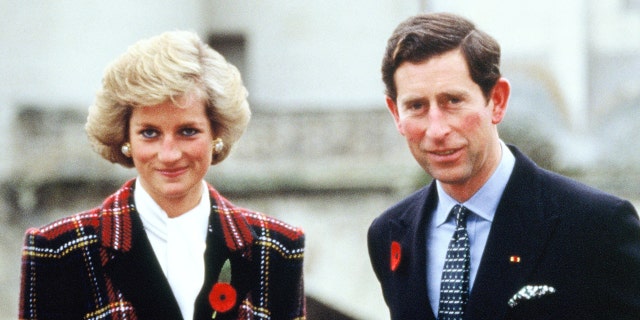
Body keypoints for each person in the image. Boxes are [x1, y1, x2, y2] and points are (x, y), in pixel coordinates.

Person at [367, 12, 640, 320]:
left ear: (497, 100)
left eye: (453, 101)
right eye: (416, 106)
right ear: (395, 114)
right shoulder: (388, 234)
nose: (436, 129)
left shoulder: (598, 227)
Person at [19, 31, 305, 320]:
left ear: (216, 133)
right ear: (125, 138)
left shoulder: (276, 249)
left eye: (188, 131)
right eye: (150, 133)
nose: (169, 154)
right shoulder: (59, 251)